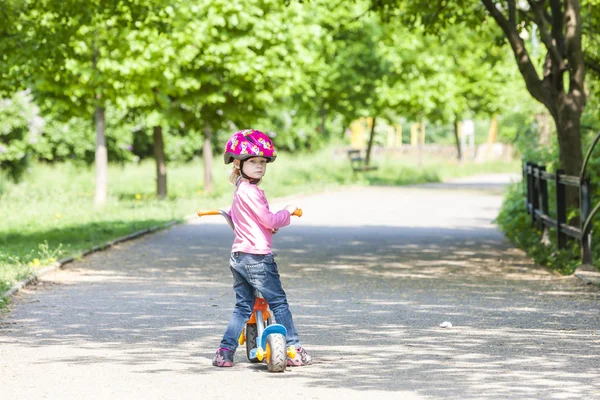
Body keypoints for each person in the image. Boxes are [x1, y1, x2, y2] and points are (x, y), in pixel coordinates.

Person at [212, 129, 312, 368]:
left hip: (239, 257)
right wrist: (288, 212)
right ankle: (294, 348)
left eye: (263, 162)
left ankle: (225, 352)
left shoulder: (240, 190)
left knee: (243, 306)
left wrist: (268, 228)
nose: (259, 166)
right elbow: (268, 219)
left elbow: (253, 223)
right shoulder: (252, 192)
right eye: (253, 161)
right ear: (238, 163)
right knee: (278, 302)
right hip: (257, 258)